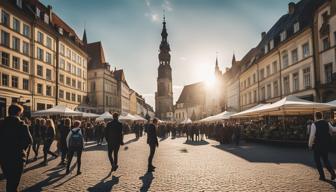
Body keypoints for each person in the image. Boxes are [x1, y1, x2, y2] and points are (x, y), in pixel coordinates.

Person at [0, 104, 32, 192]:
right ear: (18, 113)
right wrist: (22, 149)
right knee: (14, 183)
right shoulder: (22, 125)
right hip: (18, 158)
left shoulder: (1, 124)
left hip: (4, 157)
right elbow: (29, 141)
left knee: (9, 181)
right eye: (21, 113)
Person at [308, 112, 336, 181]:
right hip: (325, 145)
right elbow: (333, 129)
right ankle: (332, 173)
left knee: (317, 161)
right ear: (322, 116)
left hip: (317, 145)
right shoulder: (327, 123)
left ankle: (322, 176)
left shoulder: (314, 124)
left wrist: (310, 145)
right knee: (326, 160)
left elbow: (312, 136)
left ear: (315, 117)